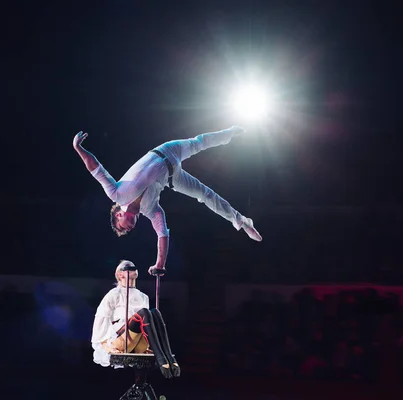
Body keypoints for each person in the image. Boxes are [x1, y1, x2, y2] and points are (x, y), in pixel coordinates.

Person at [73, 126, 262, 275]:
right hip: (173, 177)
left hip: (166, 151)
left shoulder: (116, 193)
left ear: (118, 214)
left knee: (199, 142)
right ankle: (241, 221)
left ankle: (231, 132)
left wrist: (78, 148)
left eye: (123, 226)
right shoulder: (151, 210)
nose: (130, 227)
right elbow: (162, 235)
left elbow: (97, 170)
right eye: (130, 229)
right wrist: (159, 264)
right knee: (205, 194)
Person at [91, 260, 180, 379]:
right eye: (128, 267)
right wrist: (105, 346)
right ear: (120, 274)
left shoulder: (143, 297)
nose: (132, 269)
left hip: (138, 341)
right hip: (121, 340)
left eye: (133, 267)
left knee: (154, 312)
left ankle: (169, 357)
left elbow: (148, 324)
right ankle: (161, 359)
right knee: (143, 312)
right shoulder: (114, 294)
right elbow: (100, 321)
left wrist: (147, 347)